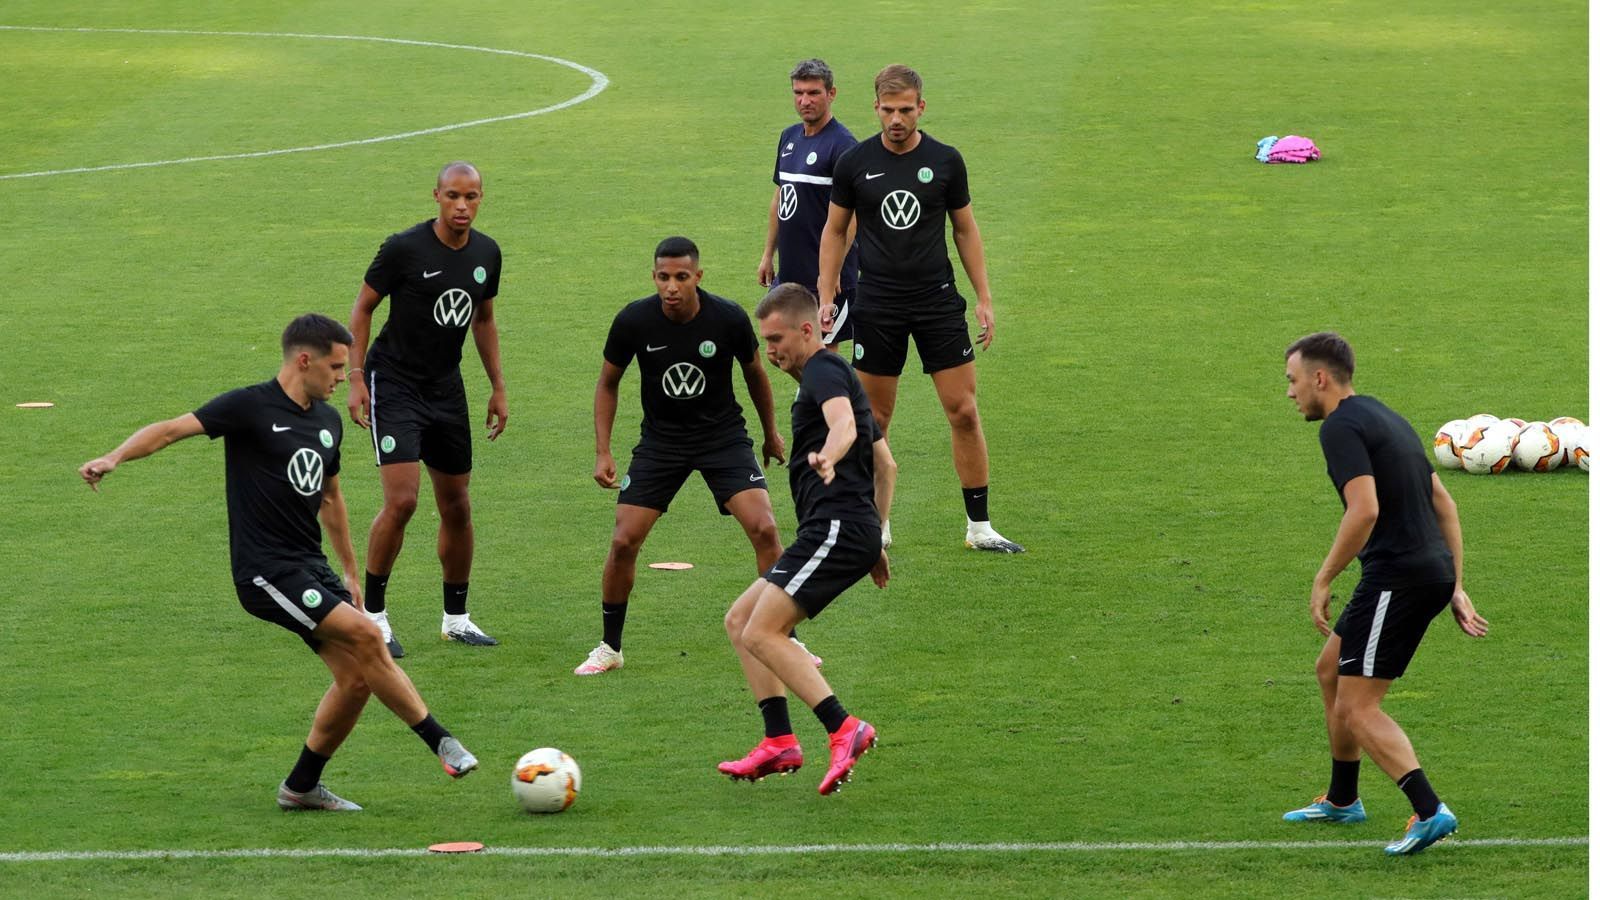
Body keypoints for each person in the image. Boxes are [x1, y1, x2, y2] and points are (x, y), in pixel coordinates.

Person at [78, 314, 479, 811]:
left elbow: (330, 498)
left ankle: (301, 787)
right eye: (335, 367)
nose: (341, 378)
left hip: (309, 566)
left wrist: (350, 571)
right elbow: (168, 431)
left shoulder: (328, 423)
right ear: (303, 360)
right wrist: (113, 458)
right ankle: (441, 741)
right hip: (264, 573)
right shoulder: (249, 406)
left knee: (356, 679)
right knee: (368, 636)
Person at [1280, 332, 1488, 855]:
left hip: (1398, 577)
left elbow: (1364, 509)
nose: (1290, 393)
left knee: (1358, 706)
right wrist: (1455, 584)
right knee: (1331, 669)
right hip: (1422, 571)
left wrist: (1324, 577)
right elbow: (1444, 502)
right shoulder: (1383, 416)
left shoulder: (1341, 429)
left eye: (1292, 380)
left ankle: (1428, 808)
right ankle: (1344, 800)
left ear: (1319, 378)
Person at [817, 64, 1023, 554]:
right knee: (875, 421)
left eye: (905, 110)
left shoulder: (946, 161)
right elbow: (835, 231)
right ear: (875, 108)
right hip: (878, 304)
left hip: (936, 303)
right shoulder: (854, 162)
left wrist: (985, 298)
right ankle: (874, 526)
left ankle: (979, 527)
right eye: (888, 110)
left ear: (921, 107)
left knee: (964, 411)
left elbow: (965, 230)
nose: (896, 119)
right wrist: (826, 297)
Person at [583, 236, 812, 675]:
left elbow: (756, 375)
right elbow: (607, 383)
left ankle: (786, 639)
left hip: (722, 439)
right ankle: (610, 648)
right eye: (664, 277)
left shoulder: (727, 317)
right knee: (623, 539)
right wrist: (603, 451)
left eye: (681, 278)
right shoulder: (634, 320)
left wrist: (770, 434)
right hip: (661, 444)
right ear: (654, 277)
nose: (672, 287)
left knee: (765, 528)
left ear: (698, 277)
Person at [718, 283, 892, 795]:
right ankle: (778, 741)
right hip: (847, 530)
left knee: (761, 632)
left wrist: (830, 455)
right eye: (764, 341)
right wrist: (876, 540)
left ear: (808, 330)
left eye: (776, 339)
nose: (770, 351)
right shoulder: (824, 378)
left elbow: (844, 428)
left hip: (834, 527)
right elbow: (887, 465)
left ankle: (844, 727)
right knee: (740, 621)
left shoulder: (823, 369)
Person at [345, 161, 508, 656]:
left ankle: (455, 618)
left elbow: (483, 319)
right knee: (403, 500)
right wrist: (355, 378)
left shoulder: (486, 253)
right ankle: (372, 616)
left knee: (457, 504)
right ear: (436, 196)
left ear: (482, 198)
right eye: (454, 196)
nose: (462, 206)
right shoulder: (405, 248)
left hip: (445, 387)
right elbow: (362, 308)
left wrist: (498, 386)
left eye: (472, 197)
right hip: (393, 382)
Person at [757, 58, 861, 349]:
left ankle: (829, 395)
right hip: (791, 270)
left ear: (831, 94)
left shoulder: (843, 146)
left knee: (823, 352)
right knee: (781, 345)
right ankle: (814, 395)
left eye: (813, 92)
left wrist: (833, 272)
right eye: (798, 92)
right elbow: (781, 197)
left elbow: (853, 217)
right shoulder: (789, 137)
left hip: (826, 275)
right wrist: (768, 254)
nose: (805, 100)